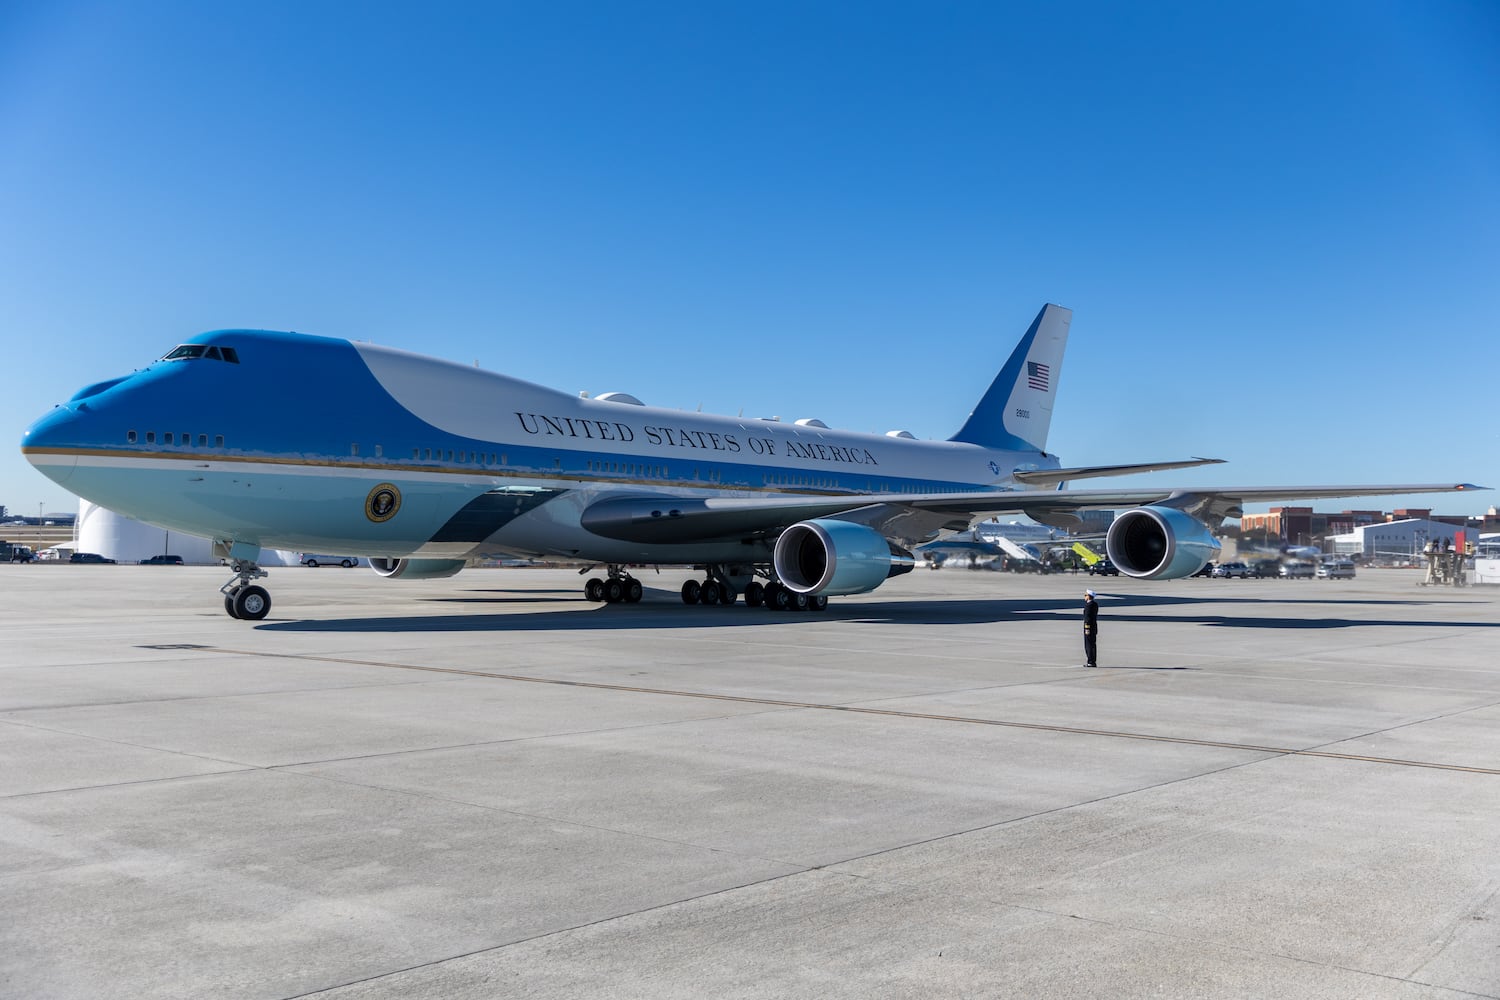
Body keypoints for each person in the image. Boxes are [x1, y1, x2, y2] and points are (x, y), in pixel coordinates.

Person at [1082, 589, 1099, 668]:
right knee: (1092, 645)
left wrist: (1087, 628)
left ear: (1089, 596)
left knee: (1088, 645)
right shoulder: (1095, 604)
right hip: (1094, 627)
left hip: (1089, 627)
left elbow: (1087, 618)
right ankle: (1093, 661)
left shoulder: (1089, 605)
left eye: (1085, 595)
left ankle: (1090, 661)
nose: (1084, 597)